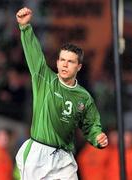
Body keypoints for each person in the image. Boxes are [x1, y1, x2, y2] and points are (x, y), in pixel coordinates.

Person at [15, 7, 108, 180]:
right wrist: (25, 27)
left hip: (64, 157)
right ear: (57, 63)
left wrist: (98, 137)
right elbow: (34, 53)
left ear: (78, 67)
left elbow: (91, 126)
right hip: (38, 154)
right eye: (62, 60)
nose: (65, 65)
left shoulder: (84, 97)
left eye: (70, 61)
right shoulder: (44, 79)